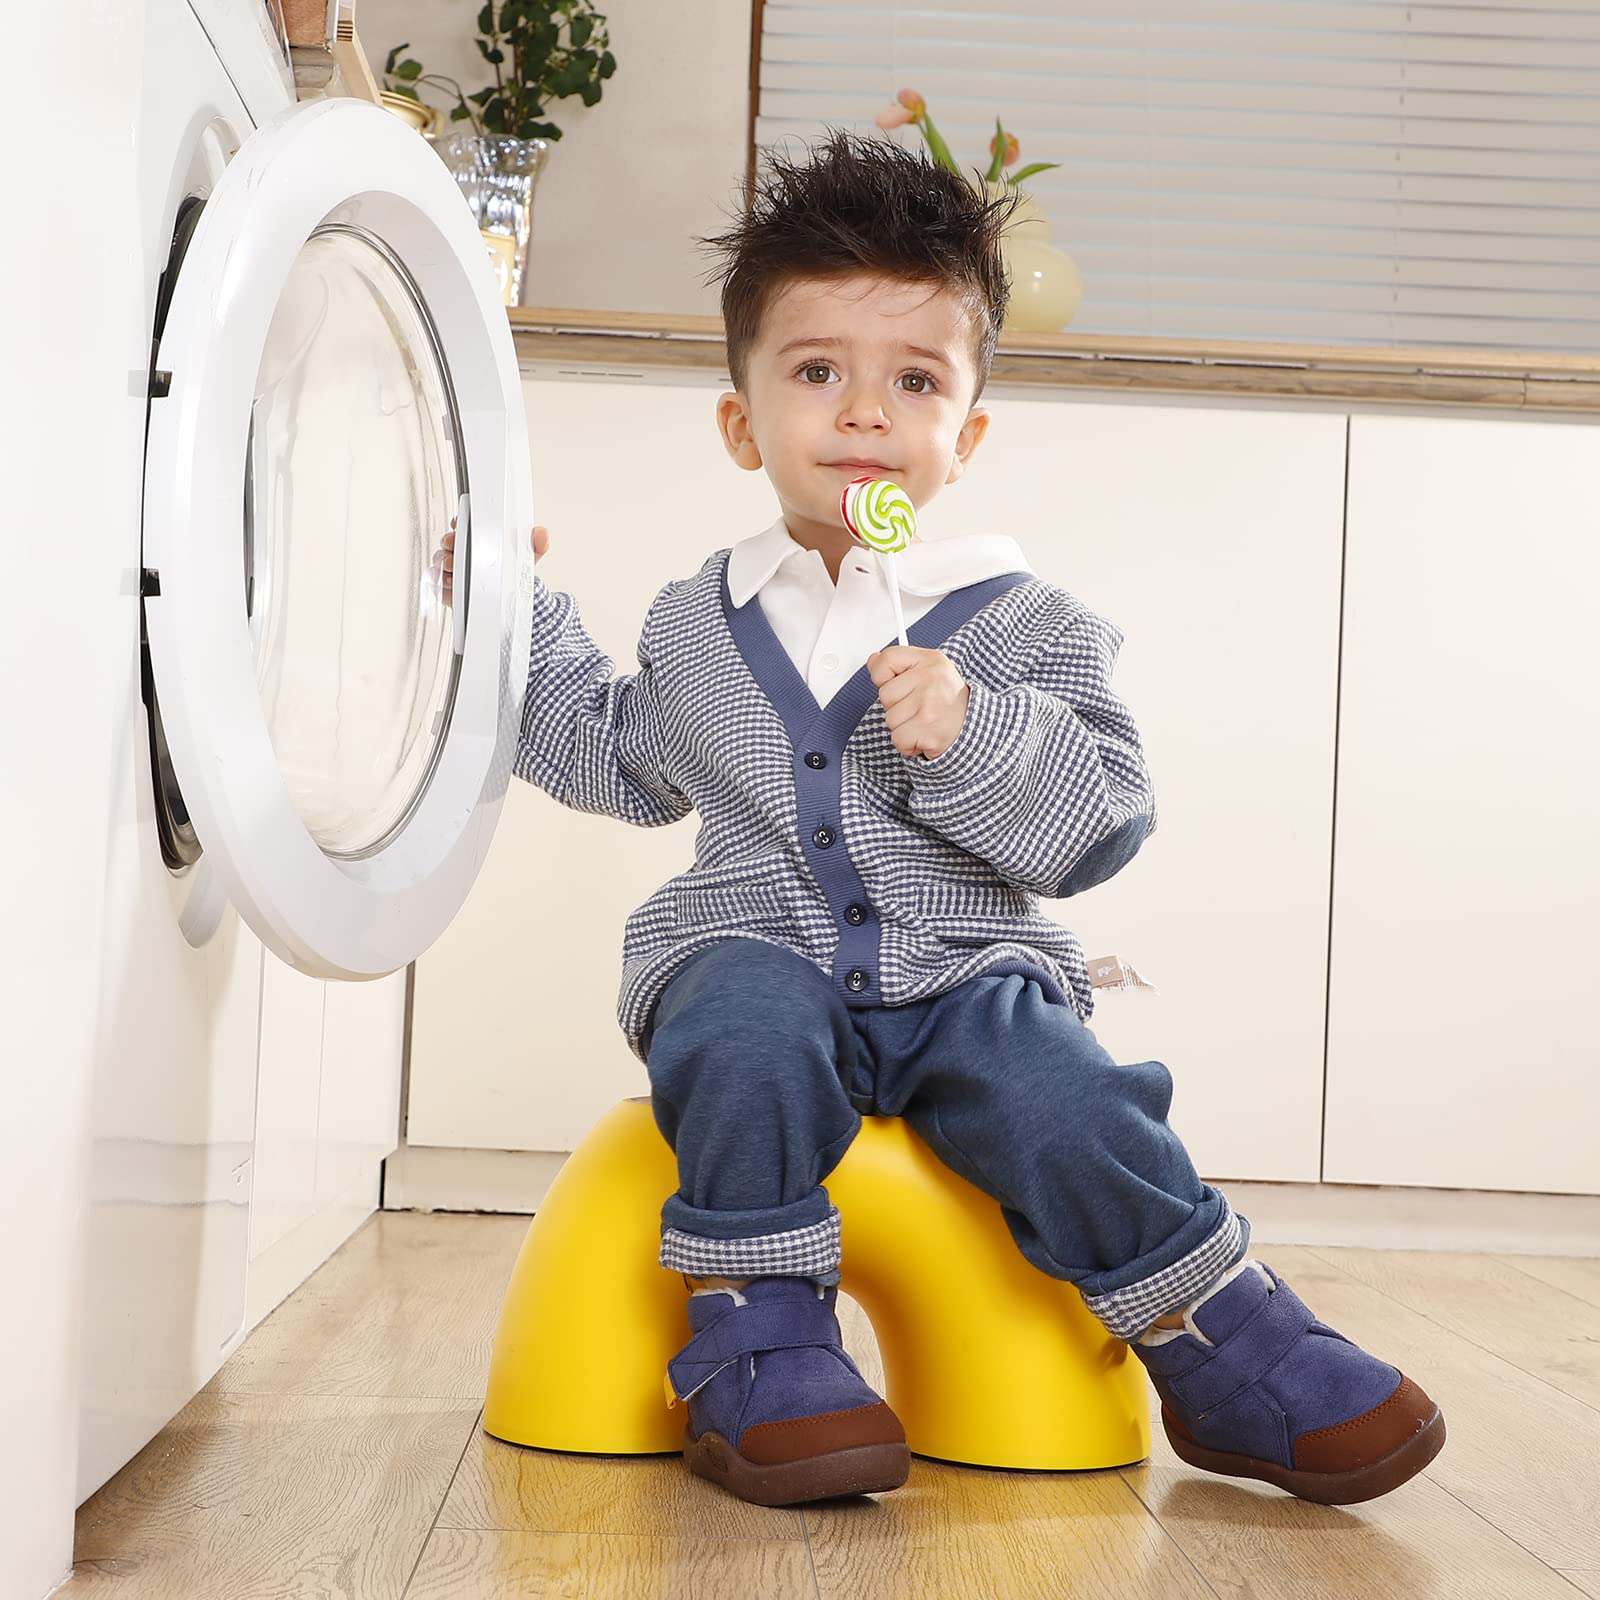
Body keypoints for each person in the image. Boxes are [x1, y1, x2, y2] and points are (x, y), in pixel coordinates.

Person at [439, 131, 1445, 1510]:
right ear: (741, 425)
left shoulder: (1027, 623)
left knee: (1069, 1100)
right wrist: (507, 612)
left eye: (913, 381)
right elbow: (620, 758)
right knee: (738, 1031)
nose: (864, 414)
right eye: (817, 373)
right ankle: (759, 1346)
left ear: (963, 437)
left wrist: (977, 733)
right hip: (752, 947)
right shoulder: (700, 620)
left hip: (968, 978)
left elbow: (1100, 824)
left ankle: (1222, 1342)